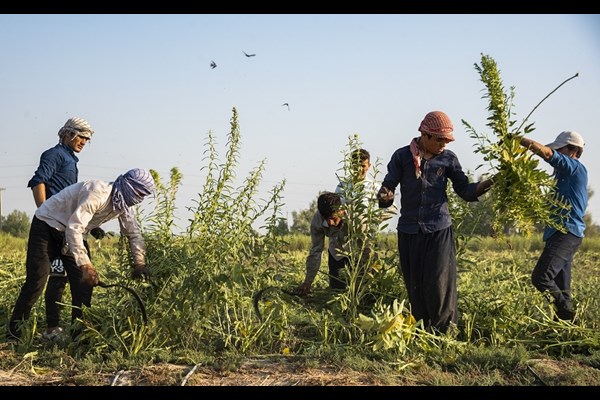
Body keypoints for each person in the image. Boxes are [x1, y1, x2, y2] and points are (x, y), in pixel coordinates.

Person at [377, 110, 493, 334]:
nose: (444, 144)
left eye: (447, 140)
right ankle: (422, 330)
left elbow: (465, 190)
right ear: (425, 135)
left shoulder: (448, 159)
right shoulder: (402, 157)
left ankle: (444, 334)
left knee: (439, 283)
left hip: (438, 228)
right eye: (440, 139)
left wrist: (490, 183)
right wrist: (385, 195)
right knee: (415, 283)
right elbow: (388, 186)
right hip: (409, 229)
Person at [7, 168, 155, 342]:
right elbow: (75, 227)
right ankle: (13, 335)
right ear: (128, 185)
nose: (140, 198)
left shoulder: (122, 206)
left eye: (145, 195)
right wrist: (86, 265)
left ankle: (79, 337)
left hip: (72, 233)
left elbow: (134, 234)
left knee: (84, 286)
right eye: (140, 193)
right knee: (36, 282)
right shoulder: (98, 192)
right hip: (47, 225)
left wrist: (139, 263)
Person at [27, 116, 104, 342]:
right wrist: (44, 212)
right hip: (53, 227)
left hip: (67, 227)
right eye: (81, 137)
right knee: (57, 278)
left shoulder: (71, 159)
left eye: (87, 139)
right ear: (68, 134)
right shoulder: (54, 155)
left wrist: (94, 226)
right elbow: (38, 181)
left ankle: (79, 329)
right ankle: (52, 329)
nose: (83, 142)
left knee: (79, 277)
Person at [518, 131, 587, 321]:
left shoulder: (575, 168)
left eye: (560, 150)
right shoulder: (562, 178)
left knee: (541, 277)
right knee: (562, 288)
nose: (556, 153)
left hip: (567, 232)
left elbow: (548, 154)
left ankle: (567, 313)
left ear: (573, 151)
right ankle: (566, 327)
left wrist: (520, 141)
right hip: (560, 233)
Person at [297, 191, 348, 295]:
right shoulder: (318, 220)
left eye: (334, 219)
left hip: (358, 252)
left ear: (341, 211)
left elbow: (365, 246)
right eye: (327, 219)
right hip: (337, 254)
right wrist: (308, 281)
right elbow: (316, 250)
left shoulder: (357, 215)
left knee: (362, 292)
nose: (330, 223)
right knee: (337, 292)